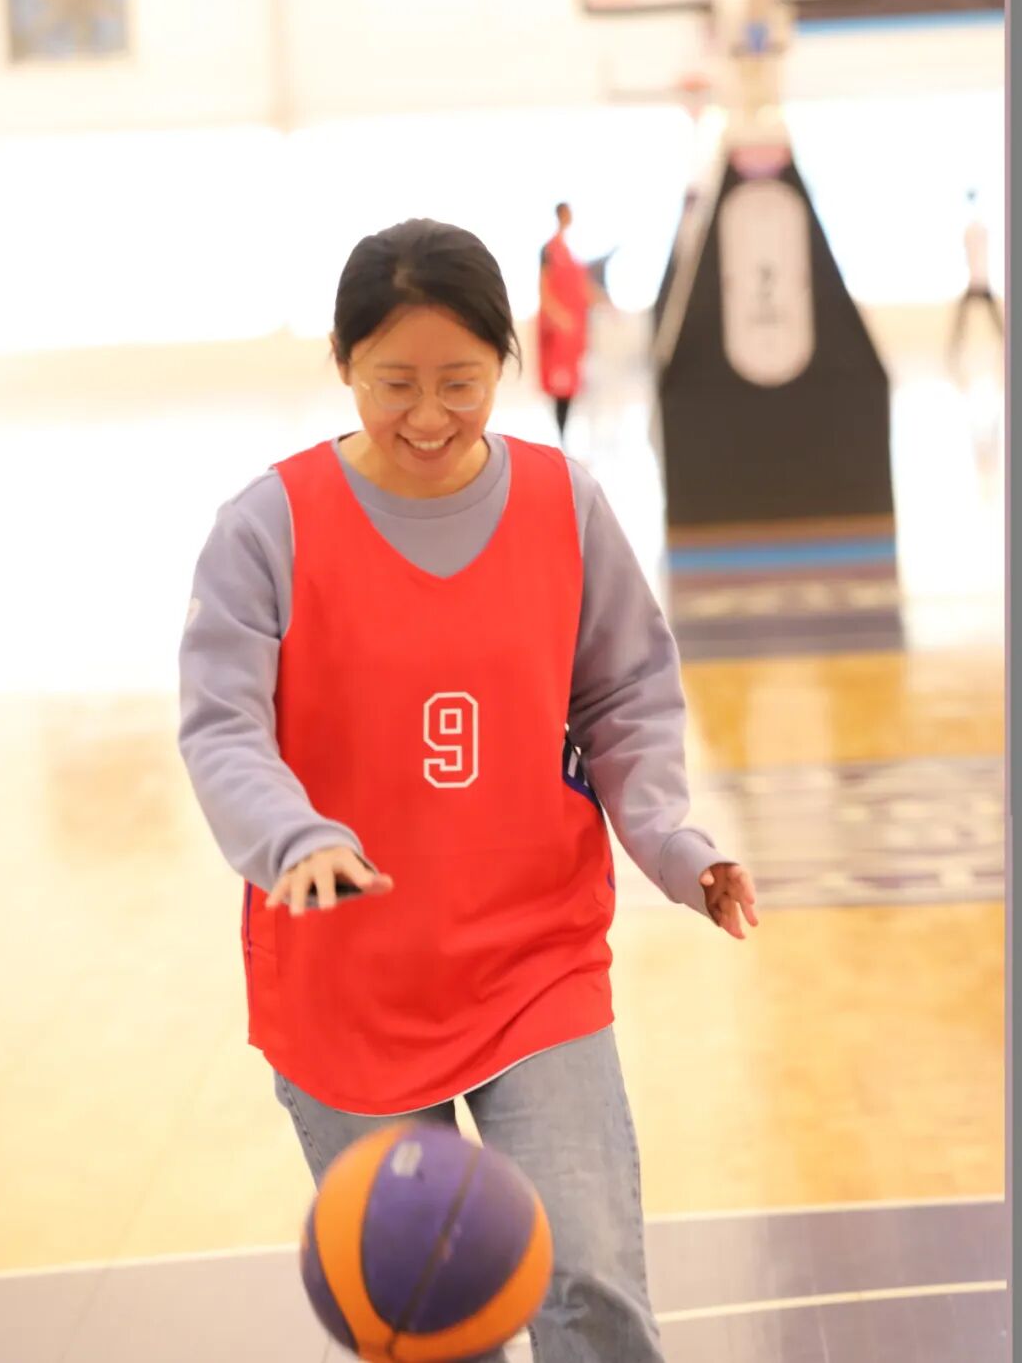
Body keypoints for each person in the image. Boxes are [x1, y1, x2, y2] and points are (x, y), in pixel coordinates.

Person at [178, 217, 758, 1363]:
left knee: (589, 1278)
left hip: (531, 959)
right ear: (342, 363)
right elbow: (222, 725)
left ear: (507, 358)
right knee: (435, 1323)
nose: (430, 416)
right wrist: (292, 837)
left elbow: (626, 694)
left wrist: (670, 841)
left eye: (460, 381)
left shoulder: (564, 503)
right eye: (394, 383)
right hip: (347, 984)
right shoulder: (266, 527)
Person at [538, 202, 607, 444]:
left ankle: (565, 436)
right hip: (559, 332)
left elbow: (584, 289)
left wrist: (604, 301)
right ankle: (561, 437)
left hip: (574, 331)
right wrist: (559, 317)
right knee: (560, 386)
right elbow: (543, 289)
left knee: (572, 385)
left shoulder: (572, 255)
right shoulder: (549, 251)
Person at [948, 189, 1004, 369]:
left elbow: (978, 256)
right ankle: (955, 347)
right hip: (976, 281)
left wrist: (979, 278)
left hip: (980, 281)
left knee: (992, 320)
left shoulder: (977, 230)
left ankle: (955, 346)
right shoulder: (973, 230)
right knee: (964, 319)